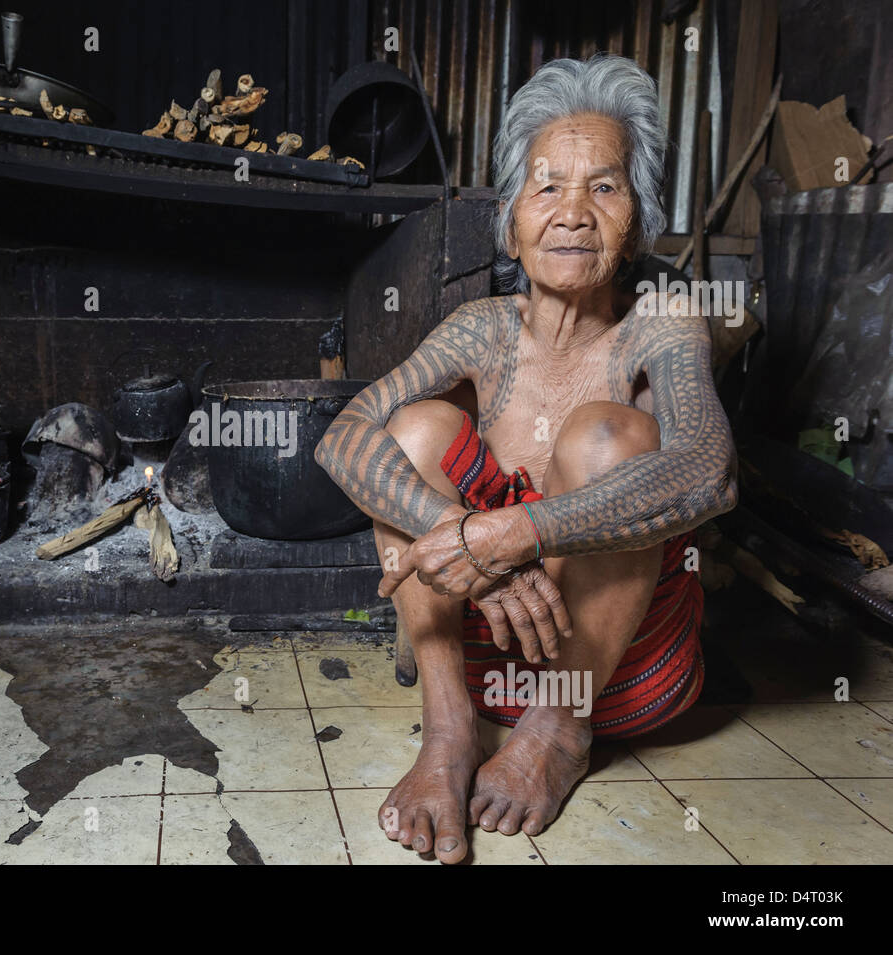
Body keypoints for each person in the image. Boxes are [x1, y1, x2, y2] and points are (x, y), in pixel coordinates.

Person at [314, 53, 737, 864]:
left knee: (609, 439)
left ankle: (555, 735)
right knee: (412, 431)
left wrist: (514, 534)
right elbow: (345, 433)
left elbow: (708, 468)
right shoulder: (482, 330)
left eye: (604, 188)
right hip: (486, 665)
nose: (573, 212)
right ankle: (446, 737)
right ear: (511, 224)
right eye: (547, 186)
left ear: (638, 224)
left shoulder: (664, 321)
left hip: (616, 676)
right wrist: (470, 537)